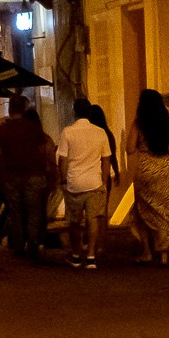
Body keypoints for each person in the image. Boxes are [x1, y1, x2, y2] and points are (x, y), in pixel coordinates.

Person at [126, 89, 169, 266]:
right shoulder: (167, 123)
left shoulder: (139, 123)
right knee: (164, 211)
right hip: (165, 168)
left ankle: (147, 252)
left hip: (146, 169)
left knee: (143, 212)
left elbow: (129, 148)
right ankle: (164, 253)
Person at [0, 95, 54, 260]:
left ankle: (19, 244)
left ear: (10, 109)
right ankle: (34, 241)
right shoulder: (34, 128)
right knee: (34, 210)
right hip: (34, 174)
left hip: (12, 176)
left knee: (16, 211)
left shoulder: (4, 129)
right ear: (24, 109)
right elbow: (43, 150)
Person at [59, 100, 115, 269]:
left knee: (74, 221)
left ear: (74, 112)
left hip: (74, 182)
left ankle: (76, 255)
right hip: (94, 182)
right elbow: (106, 160)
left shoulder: (68, 132)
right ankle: (91, 255)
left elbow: (63, 159)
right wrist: (104, 182)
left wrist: (63, 180)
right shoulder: (100, 132)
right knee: (93, 220)